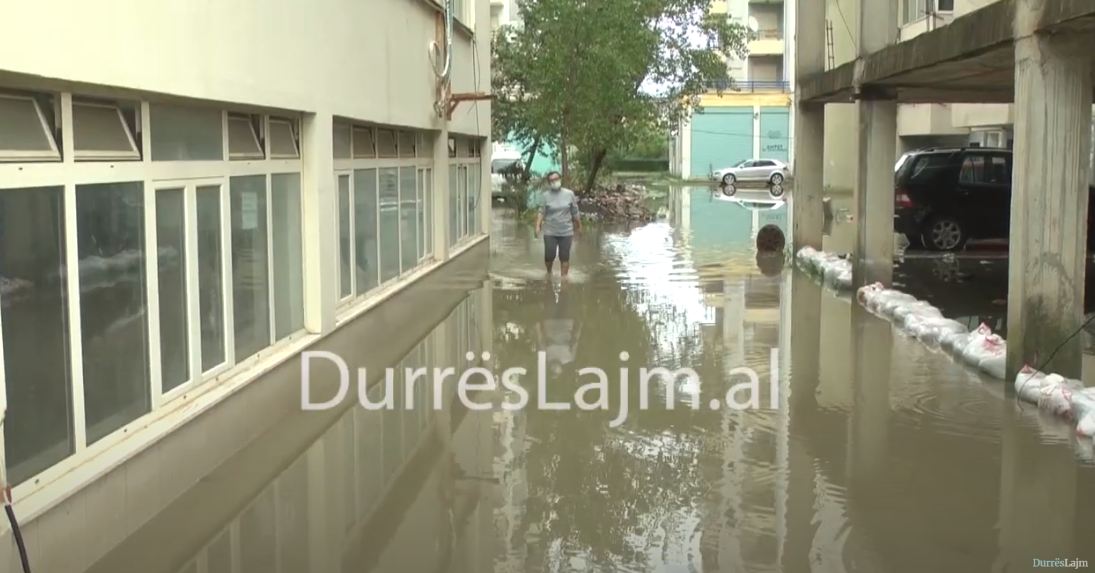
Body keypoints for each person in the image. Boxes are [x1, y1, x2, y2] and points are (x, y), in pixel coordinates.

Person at [534, 171, 581, 277]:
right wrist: (537, 226)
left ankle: (564, 278)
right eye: (552, 180)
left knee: (564, 256)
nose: (554, 182)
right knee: (549, 256)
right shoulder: (546, 196)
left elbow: (575, 212)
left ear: (560, 179)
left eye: (556, 179)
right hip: (550, 231)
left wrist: (579, 227)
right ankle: (549, 273)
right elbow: (541, 211)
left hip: (566, 231)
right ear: (549, 182)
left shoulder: (569, 194)